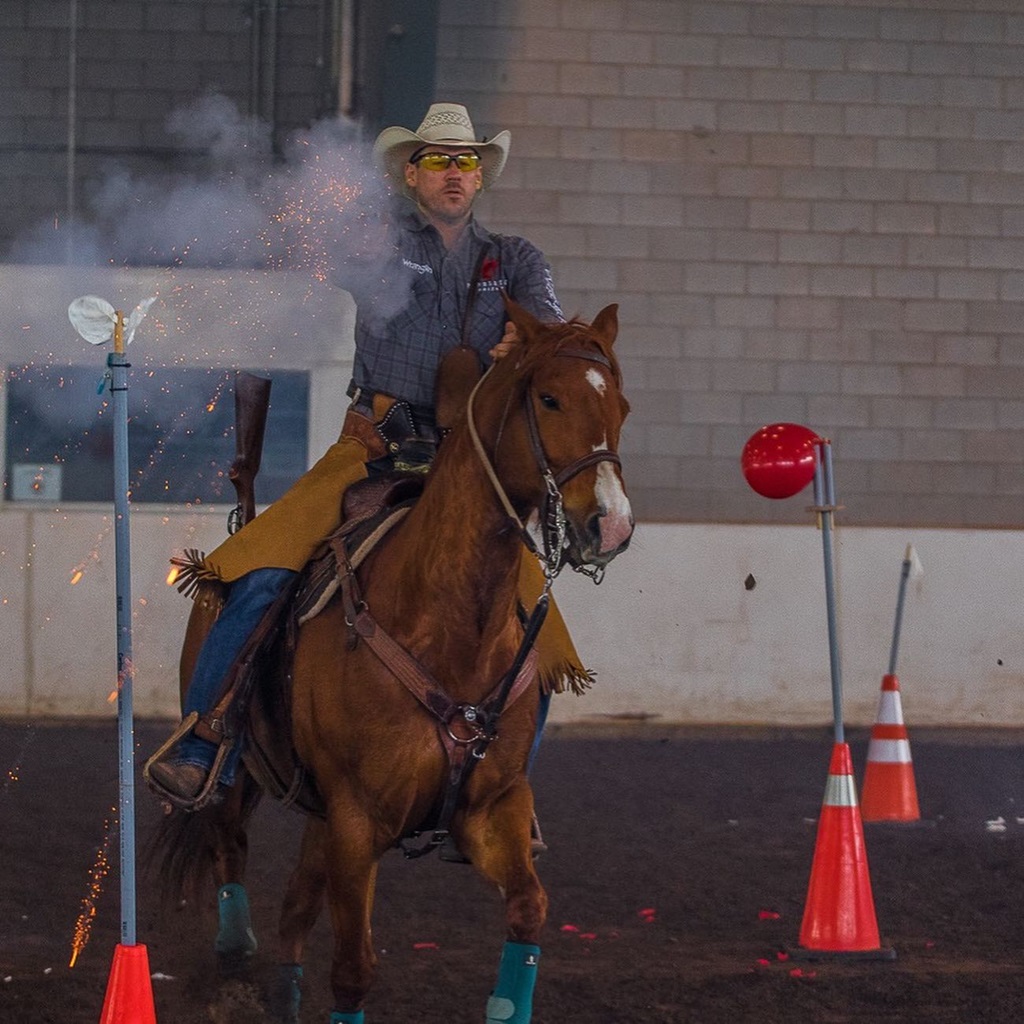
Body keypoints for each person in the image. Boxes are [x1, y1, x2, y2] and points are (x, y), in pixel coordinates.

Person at [146, 103, 586, 816]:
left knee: (538, 624)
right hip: (373, 448)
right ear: (411, 173)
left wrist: (526, 346)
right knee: (257, 572)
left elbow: (554, 331)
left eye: (466, 161)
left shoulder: (517, 260)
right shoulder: (380, 242)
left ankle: (509, 790)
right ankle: (206, 741)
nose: (454, 173)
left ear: (480, 177)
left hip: (466, 467)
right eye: (439, 160)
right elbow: (311, 255)